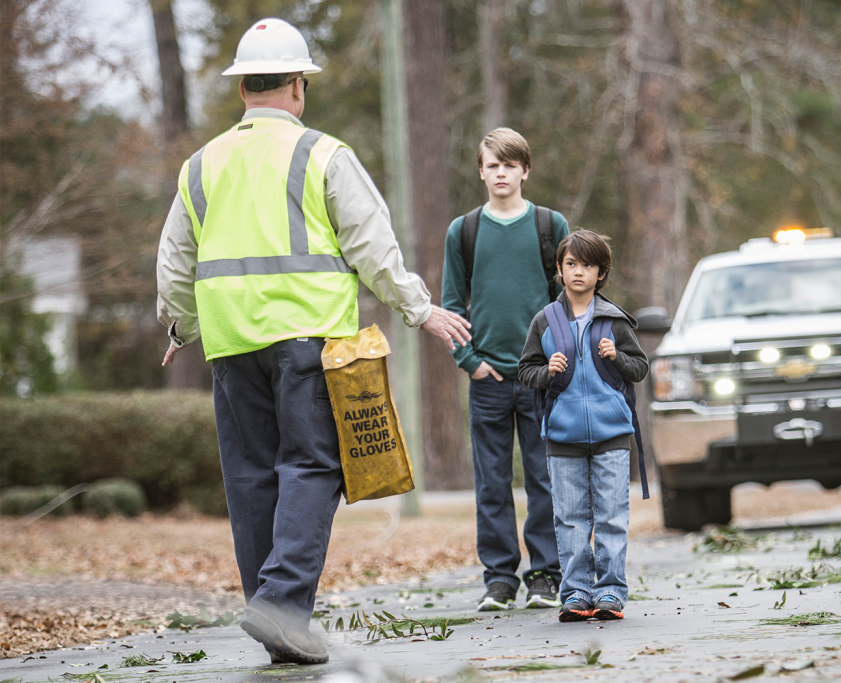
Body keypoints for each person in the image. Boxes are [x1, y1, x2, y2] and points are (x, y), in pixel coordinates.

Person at [156, 18, 471, 665]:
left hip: (229, 343)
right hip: (306, 337)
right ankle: (280, 604)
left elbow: (174, 260)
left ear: (243, 86)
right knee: (314, 465)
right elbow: (371, 245)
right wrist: (421, 308)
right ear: (297, 86)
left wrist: (180, 325)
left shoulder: (200, 165)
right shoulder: (322, 154)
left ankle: (280, 626)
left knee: (250, 478)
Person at [441, 128, 569, 611]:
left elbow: (568, 298)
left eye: (509, 165)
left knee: (544, 478)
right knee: (491, 482)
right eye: (492, 165)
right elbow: (453, 303)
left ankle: (545, 576)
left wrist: (560, 359)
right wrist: (468, 362)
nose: (501, 173)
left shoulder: (549, 224)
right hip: (489, 380)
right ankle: (499, 580)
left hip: (541, 379)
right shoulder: (465, 230)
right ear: (480, 171)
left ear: (524, 171)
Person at [518, 230, 649, 622]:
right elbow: (525, 370)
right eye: (571, 264)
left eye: (587, 265)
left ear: (601, 273)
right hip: (562, 437)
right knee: (570, 519)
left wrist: (617, 359)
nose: (578, 272)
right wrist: (547, 371)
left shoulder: (614, 320)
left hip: (612, 435)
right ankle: (576, 593)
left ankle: (610, 592)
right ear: (559, 269)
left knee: (611, 516)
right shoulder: (545, 320)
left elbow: (639, 368)